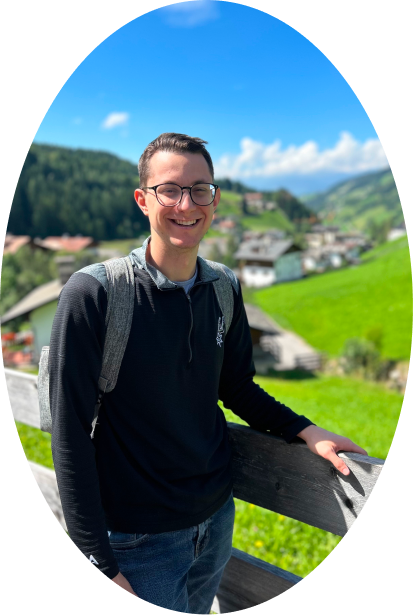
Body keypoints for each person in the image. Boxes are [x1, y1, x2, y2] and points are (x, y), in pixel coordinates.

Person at [49, 133, 368, 611]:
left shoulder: (223, 287)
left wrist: (305, 430)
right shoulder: (95, 294)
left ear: (214, 200)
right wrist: (98, 559)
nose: (187, 203)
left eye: (201, 189)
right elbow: (67, 430)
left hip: (216, 519)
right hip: (138, 540)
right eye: (170, 189)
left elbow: (236, 385)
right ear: (143, 199)